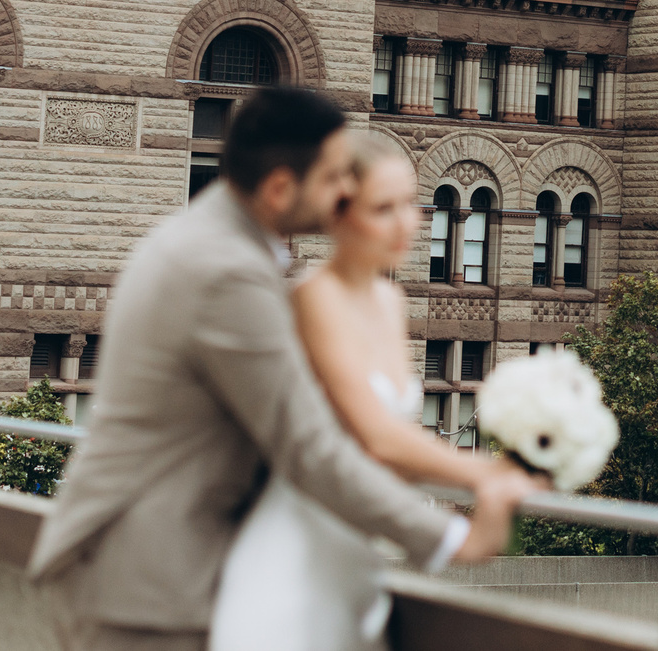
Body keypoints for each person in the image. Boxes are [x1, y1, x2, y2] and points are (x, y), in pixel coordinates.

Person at [28, 87, 531, 651]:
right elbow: (306, 446)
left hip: (144, 563)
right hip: (146, 578)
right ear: (280, 189)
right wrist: (450, 538)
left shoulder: (205, 237)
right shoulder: (226, 273)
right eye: (335, 177)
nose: (346, 189)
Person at [213, 131, 536, 649]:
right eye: (383, 207)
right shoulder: (312, 298)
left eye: (410, 202)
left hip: (355, 554)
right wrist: (491, 473)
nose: (406, 222)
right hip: (293, 547)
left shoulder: (391, 300)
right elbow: (376, 435)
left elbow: (397, 453)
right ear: (338, 214)